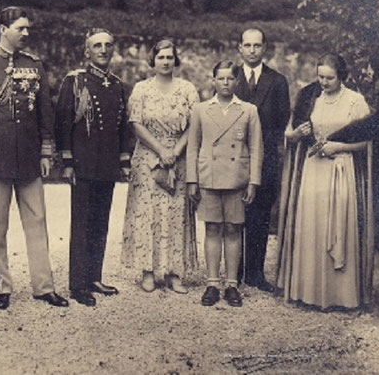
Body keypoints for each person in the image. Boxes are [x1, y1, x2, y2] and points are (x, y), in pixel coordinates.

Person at [0, 6, 68, 310]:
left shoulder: (34, 65)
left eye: (27, 28)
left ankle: (44, 286)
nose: (26, 33)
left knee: (38, 222)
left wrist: (47, 151)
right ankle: (3, 286)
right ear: (2, 30)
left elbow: (45, 111)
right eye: (20, 28)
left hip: (30, 159)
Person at [276, 53, 373, 310]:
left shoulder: (355, 101)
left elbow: (369, 142)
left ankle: (340, 296)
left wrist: (339, 146)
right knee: (312, 227)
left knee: (339, 225)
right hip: (313, 170)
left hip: (341, 170)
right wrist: (297, 133)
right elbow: (289, 133)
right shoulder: (310, 98)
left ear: (342, 76)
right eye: (320, 76)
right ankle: (310, 293)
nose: (324, 82)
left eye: (330, 78)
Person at [56, 28, 131, 306]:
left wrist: (124, 160)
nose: (103, 50)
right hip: (83, 164)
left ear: (113, 50)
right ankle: (77, 285)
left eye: (107, 45)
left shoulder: (118, 85)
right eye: (97, 46)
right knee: (82, 224)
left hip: (107, 165)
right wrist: (66, 162)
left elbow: (123, 127)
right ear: (87, 51)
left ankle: (94, 277)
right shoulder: (75, 82)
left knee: (101, 222)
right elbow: (63, 123)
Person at [121, 39, 199, 294]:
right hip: (148, 156)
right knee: (147, 213)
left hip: (178, 156)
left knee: (177, 212)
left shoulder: (187, 89)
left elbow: (193, 125)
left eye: (169, 57)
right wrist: (160, 150)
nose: (165, 62)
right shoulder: (142, 89)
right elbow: (136, 123)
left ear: (175, 60)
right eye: (161, 57)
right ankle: (148, 271)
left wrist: (174, 152)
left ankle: (176, 272)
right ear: (152, 61)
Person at [187, 60, 263, 307]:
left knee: (233, 229)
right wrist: (192, 180)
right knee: (211, 229)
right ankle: (211, 284)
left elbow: (255, 148)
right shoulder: (200, 109)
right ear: (213, 81)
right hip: (209, 176)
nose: (225, 83)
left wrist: (253, 181)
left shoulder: (248, 110)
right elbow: (192, 147)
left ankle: (231, 285)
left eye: (230, 79)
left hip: (236, 178)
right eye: (220, 79)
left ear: (237, 81)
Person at [234, 28, 290, 292]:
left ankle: (255, 272)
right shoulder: (229, 78)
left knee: (259, 214)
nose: (252, 50)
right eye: (248, 45)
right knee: (234, 212)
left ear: (265, 48)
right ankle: (233, 270)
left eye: (257, 45)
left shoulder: (278, 82)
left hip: (265, 155)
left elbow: (280, 124)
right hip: (233, 156)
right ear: (240, 48)